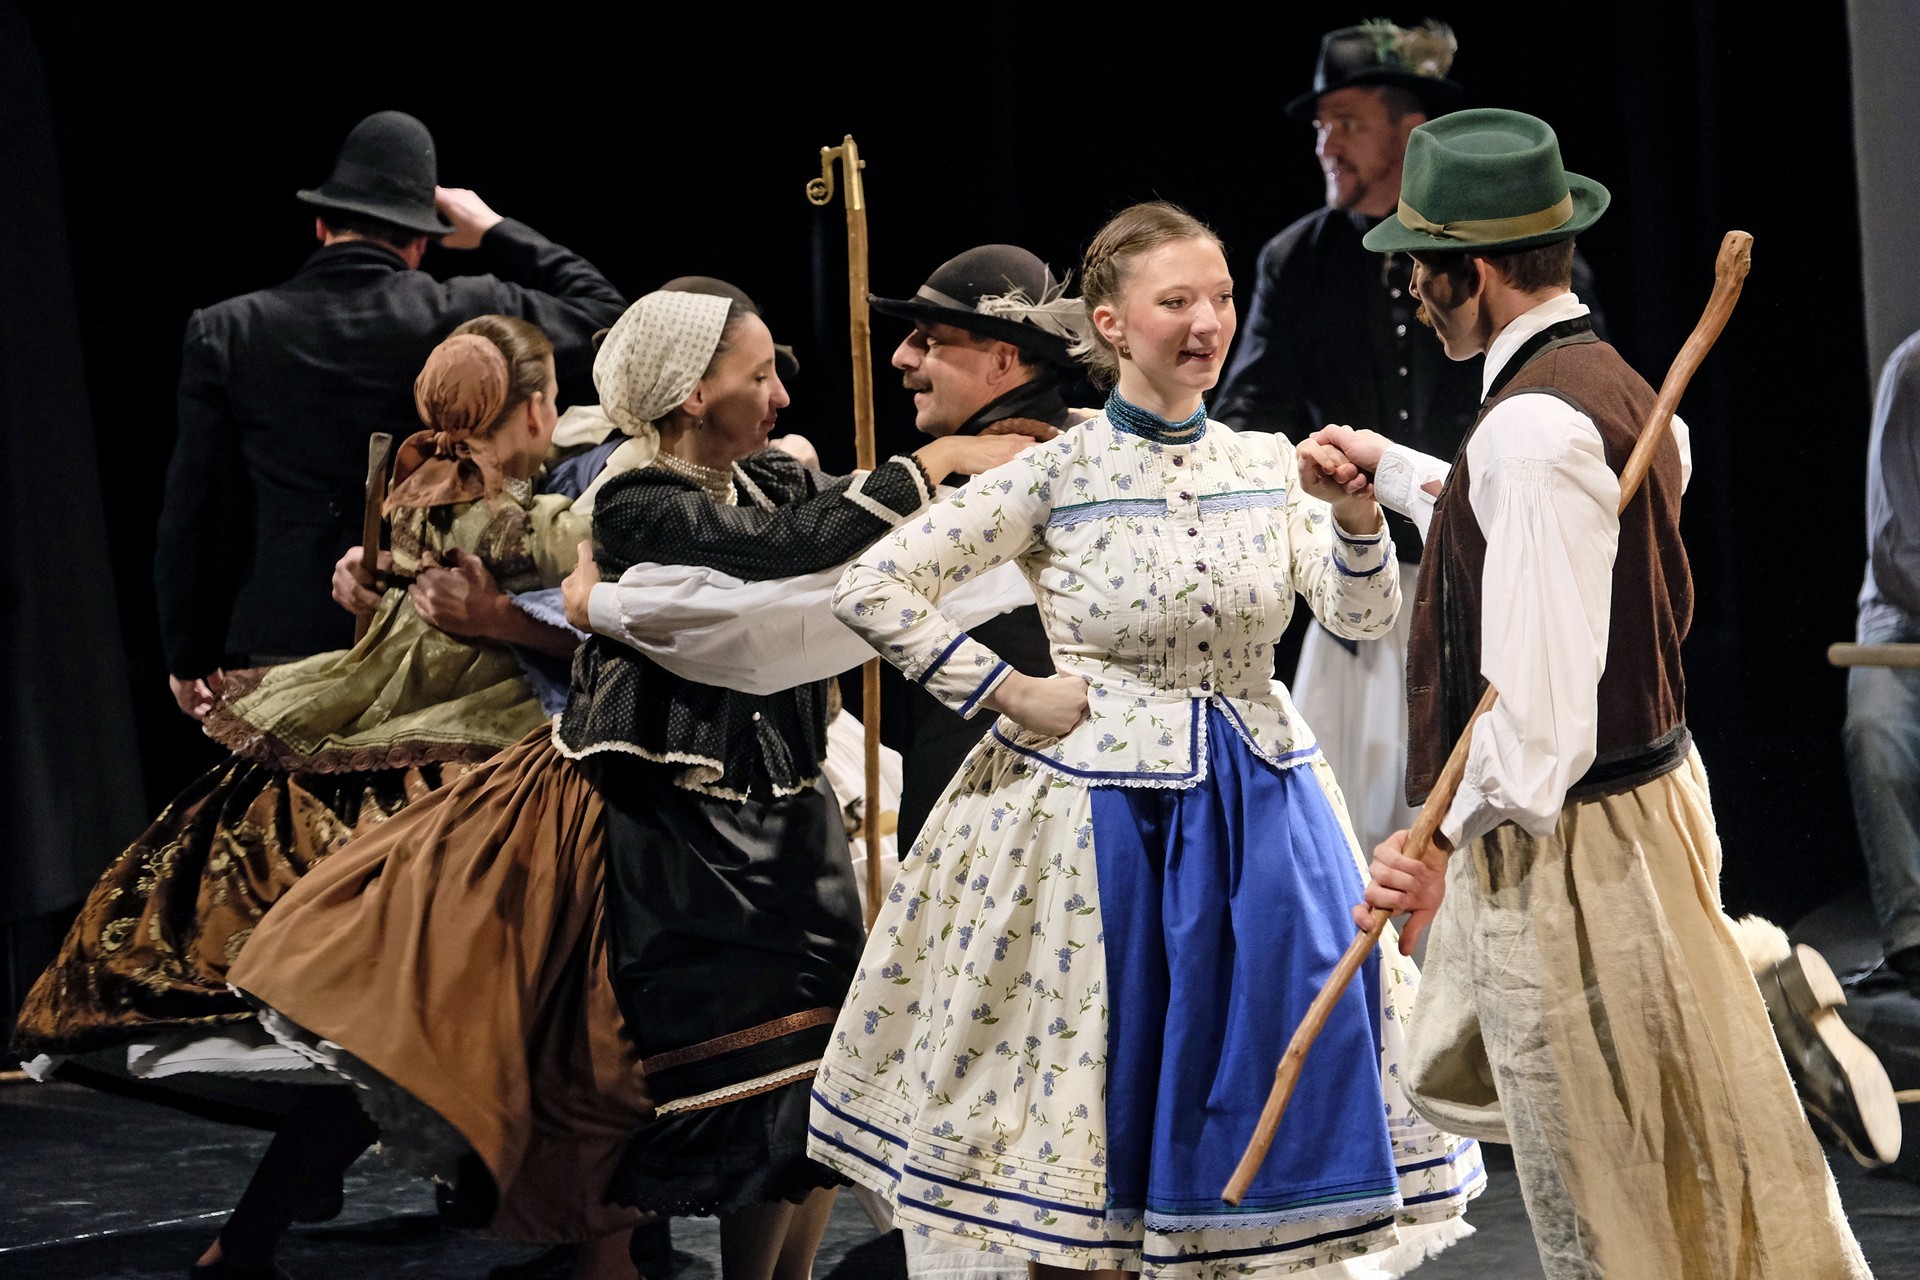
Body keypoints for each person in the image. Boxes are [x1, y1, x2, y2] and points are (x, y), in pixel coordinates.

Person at [229, 289, 1034, 1280]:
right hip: (678, 821)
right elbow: (786, 551)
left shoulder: (773, 474)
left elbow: (848, 532)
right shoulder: (634, 497)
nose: (782, 396)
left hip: (790, 806)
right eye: (759, 376)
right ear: (693, 395)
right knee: (729, 1075)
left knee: (823, 1075)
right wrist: (937, 460)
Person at [809, 202, 1480, 1279]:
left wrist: (1358, 524)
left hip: (1264, 811)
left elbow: (1359, 619)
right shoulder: (1057, 471)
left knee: (1268, 1081)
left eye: (1220, 298)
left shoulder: (1267, 462)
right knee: (1094, 1102)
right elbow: (872, 584)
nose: (1208, 323)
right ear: (1112, 325)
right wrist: (1010, 692)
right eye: (1177, 302)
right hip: (1096, 824)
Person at [1342, 108, 1878, 1275]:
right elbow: (1563, 533)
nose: (1414, 293)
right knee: (1684, 1114)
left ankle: (1749, 975)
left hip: (1572, 850)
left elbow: (1536, 728)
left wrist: (1432, 835)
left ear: (1475, 271)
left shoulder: (1527, 433)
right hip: (1653, 801)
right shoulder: (1615, 391)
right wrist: (1397, 471)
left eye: (1421, 267)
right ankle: (1746, 973)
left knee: (1604, 1185)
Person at [15, 317, 595, 1278]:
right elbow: (598, 549)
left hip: (369, 727)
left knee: (378, 1020)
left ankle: (269, 1233)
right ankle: (582, 1229)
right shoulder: (523, 519)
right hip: (473, 751)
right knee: (423, 1008)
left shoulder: (411, 486)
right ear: (534, 410)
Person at [1213, 21, 1606, 857]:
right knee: (1340, 829)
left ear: (1411, 131)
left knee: (1479, 822)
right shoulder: (1296, 260)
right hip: (1359, 585)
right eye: (1321, 126)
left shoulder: (1523, 273)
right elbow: (1250, 408)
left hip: (1485, 583)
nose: (1326, 144)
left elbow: (1569, 410)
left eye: (1348, 123)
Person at [156, 109, 624, 721]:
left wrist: (187, 652)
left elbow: (197, 508)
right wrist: (494, 229)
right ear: (420, 242)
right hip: (425, 640)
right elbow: (607, 319)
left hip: (281, 644)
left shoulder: (226, 332)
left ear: (321, 225)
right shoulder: (467, 313)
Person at [871, 244, 1085, 845]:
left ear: (1003, 360)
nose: (902, 357)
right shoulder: (1081, 444)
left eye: (929, 340)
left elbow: (862, 594)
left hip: (998, 799)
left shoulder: (1066, 465)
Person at [1844, 329, 1920, 998]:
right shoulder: (1913, 372)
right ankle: (1913, 937)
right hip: (1904, 611)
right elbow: (1898, 550)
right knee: (1876, 729)